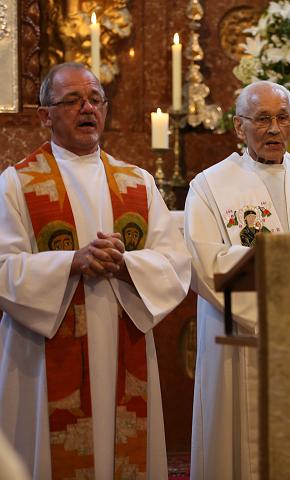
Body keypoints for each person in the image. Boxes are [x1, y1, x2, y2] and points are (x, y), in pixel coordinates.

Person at [0, 62, 191, 479]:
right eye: (72, 100)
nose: (87, 108)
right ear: (45, 116)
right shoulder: (17, 184)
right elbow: (3, 268)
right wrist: (71, 262)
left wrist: (127, 265)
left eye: (94, 99)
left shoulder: (136, 182)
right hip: (45, 355)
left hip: (123, 338)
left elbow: (175, 262)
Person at [184, 80, 290, 479]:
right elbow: (202, 260)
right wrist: (285, 278)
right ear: (239, 128)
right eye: (262, 119)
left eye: (282, 118)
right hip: (240, 339)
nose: (274, 128)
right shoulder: (210, 186)